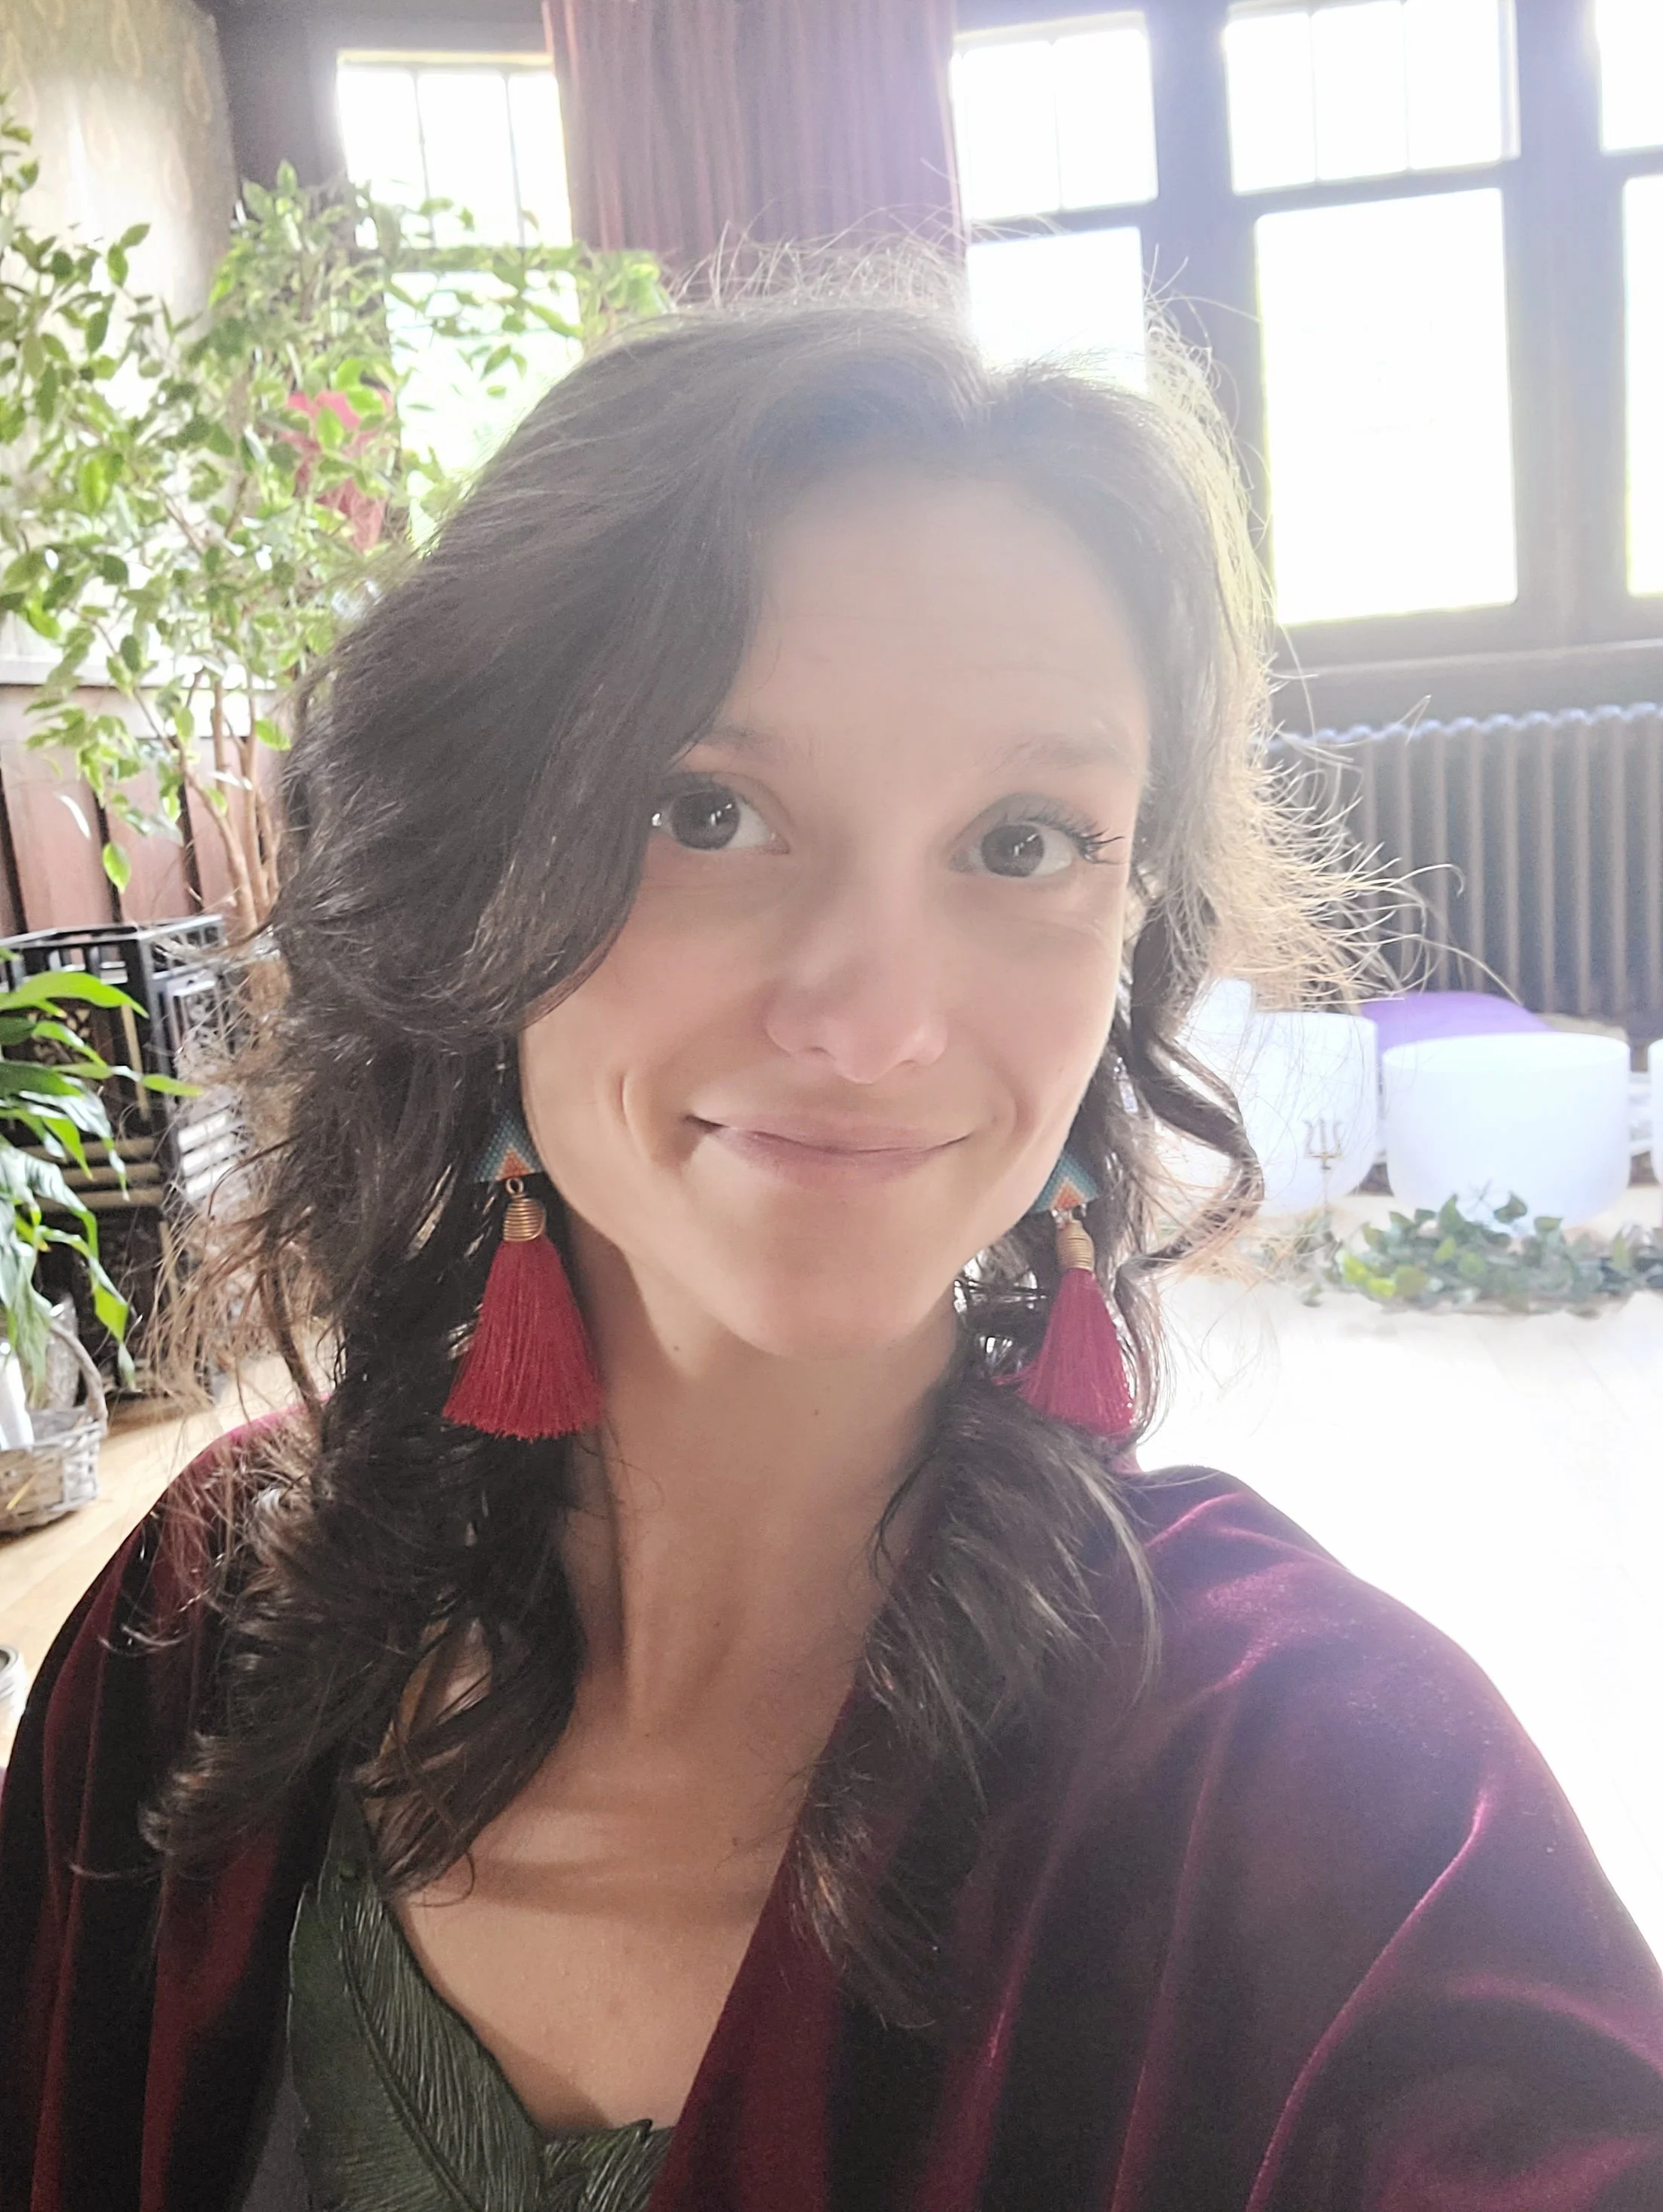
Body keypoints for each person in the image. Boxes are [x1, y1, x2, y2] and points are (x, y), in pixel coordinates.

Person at [3, 294, 1661, 2212]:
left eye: (1025, 839)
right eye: (710, 811)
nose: (878, 1018)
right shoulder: (201, 1631)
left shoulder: (1321, 1794)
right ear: (476, 874)